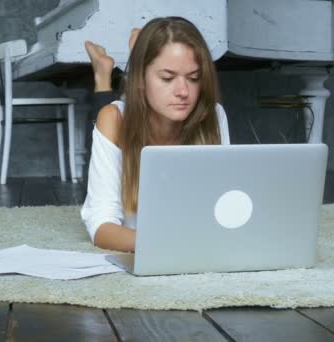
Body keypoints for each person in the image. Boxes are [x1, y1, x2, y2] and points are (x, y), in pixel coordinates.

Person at [81, 17, 231, 253]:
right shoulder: (113, 119)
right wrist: (170, 244)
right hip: (123, 121)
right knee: (105, 121)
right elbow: (101, 225)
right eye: (167, 78)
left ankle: (135, 55)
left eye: (193, 78)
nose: (183, 92)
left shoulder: (213, 115)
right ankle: (103, 76)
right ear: (140, 78)